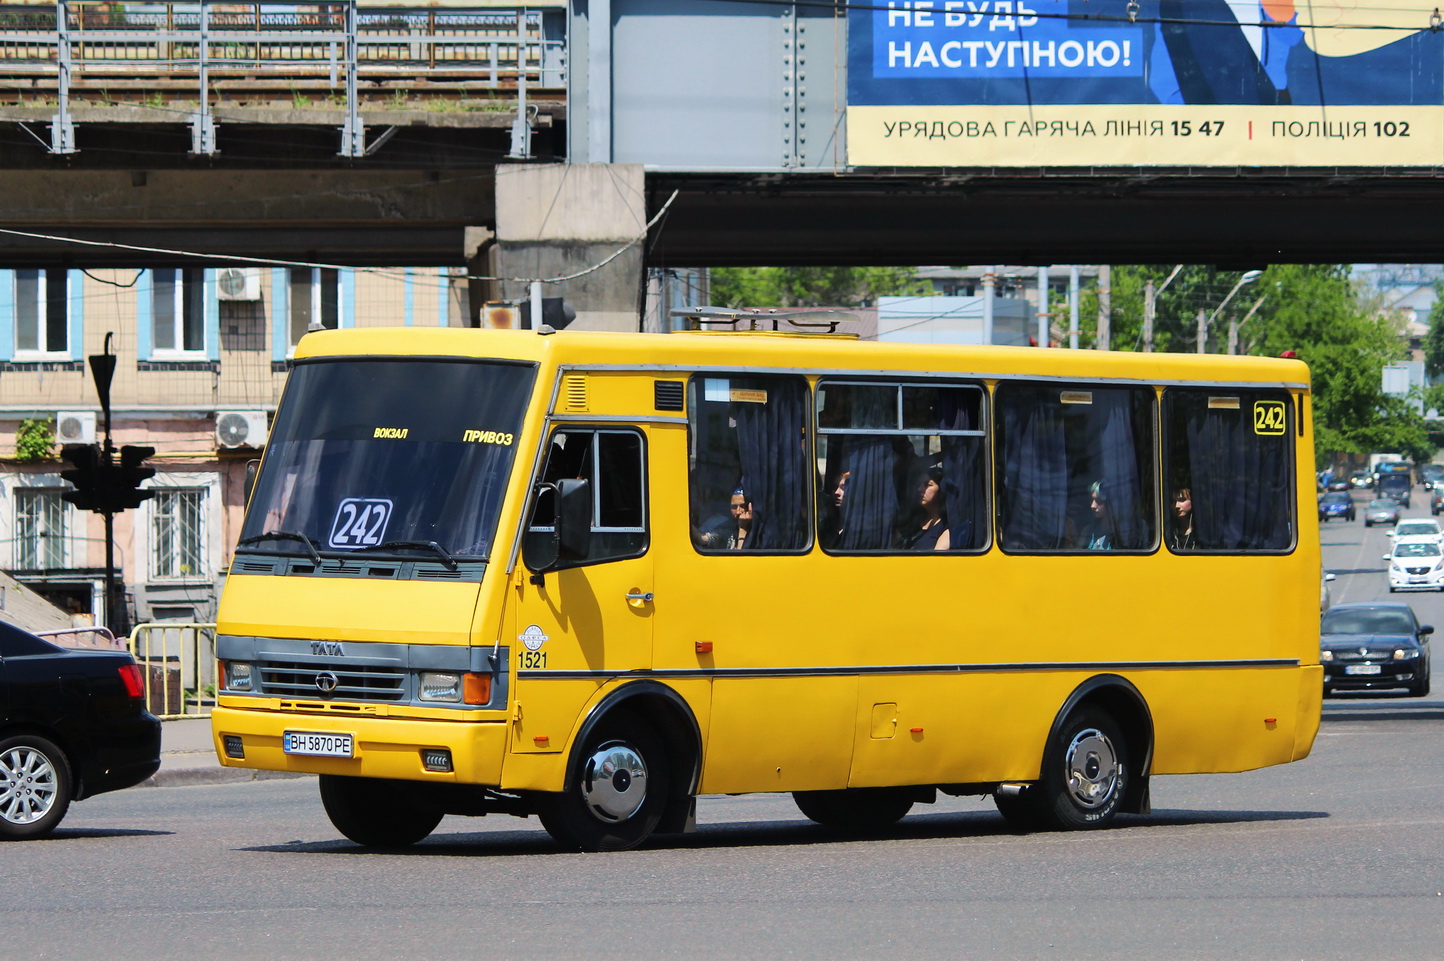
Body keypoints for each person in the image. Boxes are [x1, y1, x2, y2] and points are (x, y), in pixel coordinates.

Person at [902, 465, 951, 551]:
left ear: (941, 490)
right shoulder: (913, 521)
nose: (920, 489)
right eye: (919, 484)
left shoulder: (946, 528)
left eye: (927, 485)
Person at [1083, 480, 1113, 550]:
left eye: (1099, 500)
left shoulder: (1122, 533)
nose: (1092, 506)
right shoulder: (1088, 531)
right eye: (1092, 500)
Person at [1170, 487, 1197, 551]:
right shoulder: (1170, 532)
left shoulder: (1200, 533)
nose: (1176, 506)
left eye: (1182, 500)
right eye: (1173, 502)